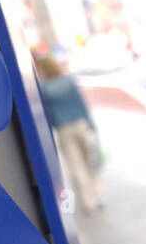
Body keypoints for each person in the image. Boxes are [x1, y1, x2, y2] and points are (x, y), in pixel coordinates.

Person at [34, 53, 103, 214]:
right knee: (89, 161)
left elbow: (48, 115)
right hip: (80, 124)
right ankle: (97, 194)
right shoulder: (69, 82)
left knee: (75, 166)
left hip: (64, 130)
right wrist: (92, 126)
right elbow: (81, 105)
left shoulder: (44, 89)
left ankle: (88, 202)